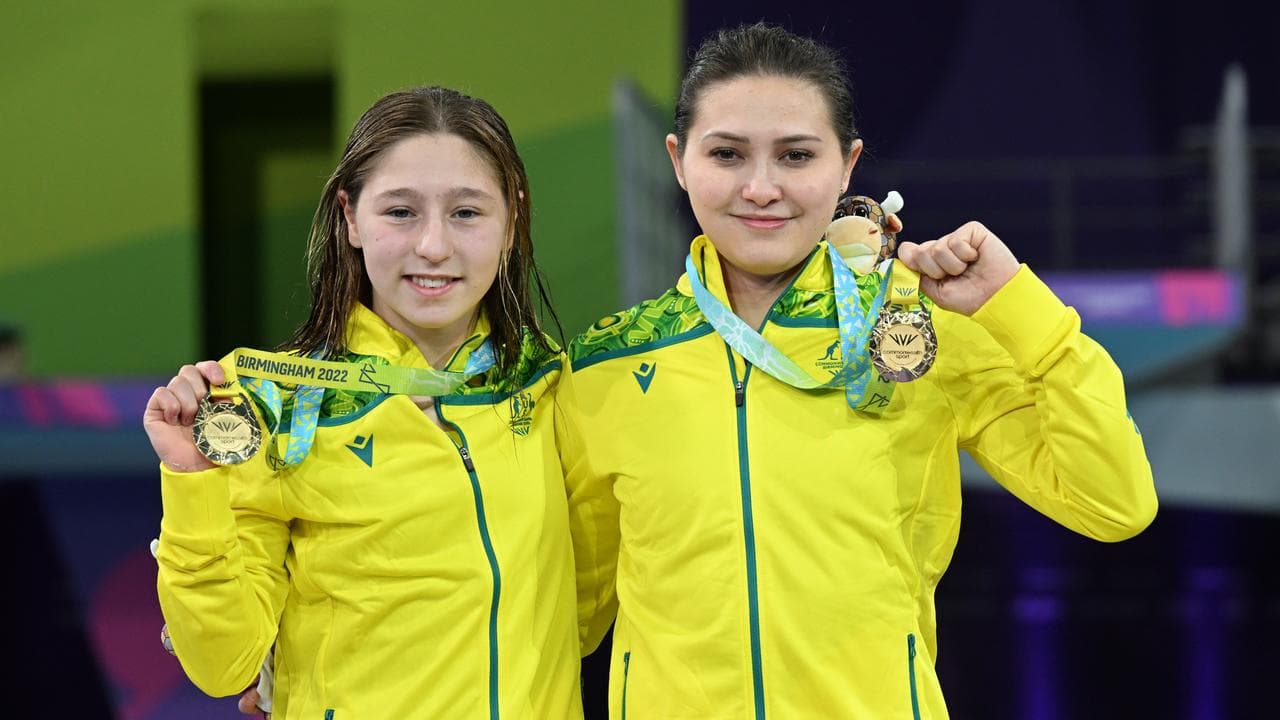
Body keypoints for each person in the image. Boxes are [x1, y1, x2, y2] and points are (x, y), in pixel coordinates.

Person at [563, 23, 1157, 719]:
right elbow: (562, 616)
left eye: (796, 156)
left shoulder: (915, 330)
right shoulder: (610, 364)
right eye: (726, 154)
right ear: (678, 160)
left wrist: (1019, 308)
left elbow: (1114, 502)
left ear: (847, 166)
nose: (761, 187)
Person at [145, 86, 583, 719]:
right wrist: (193, 480)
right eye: (400, 212)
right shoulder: (267, 403)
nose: (433, 246)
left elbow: (587, 606)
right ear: (350, 218)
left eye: (467, 213)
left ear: (512, 220)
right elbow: (223, 666)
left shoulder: (551, 385)